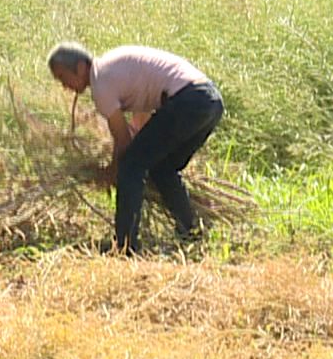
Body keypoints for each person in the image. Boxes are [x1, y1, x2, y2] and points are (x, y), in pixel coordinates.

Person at [46, 42, 224, 256]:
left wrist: (112, 172)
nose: (65, 86)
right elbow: (141, 121)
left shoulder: (101, 82)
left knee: (131, 166)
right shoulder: (113, 68)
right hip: (209, 102)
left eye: (64, 77)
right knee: (162, 168)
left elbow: (123, 142)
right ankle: (191, 231)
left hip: (188, 100)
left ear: (81, 67)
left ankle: (124, 245)